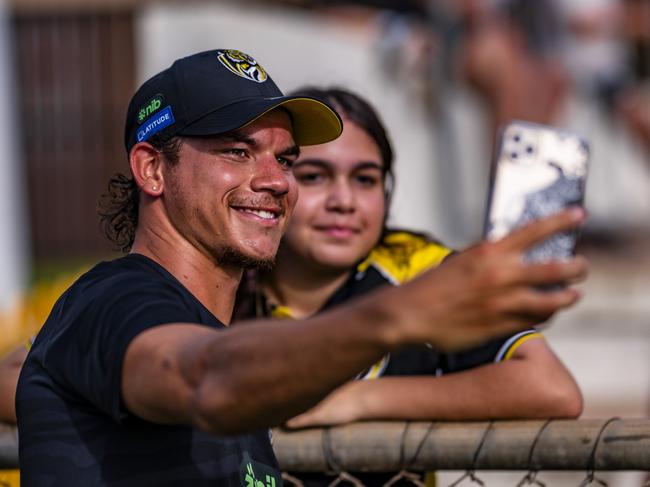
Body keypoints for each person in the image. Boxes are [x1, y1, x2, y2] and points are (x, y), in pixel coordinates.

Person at [16, 48, 587, 486]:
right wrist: (397, 318)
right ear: (153, 169)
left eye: (286, 160)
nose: (276, 181)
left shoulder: (211, 326)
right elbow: (206, 380)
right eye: (237, 152)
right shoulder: (115, 298)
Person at [233, 87, 582, 486]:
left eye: (365, 179)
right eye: (315, 176)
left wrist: (358, 400)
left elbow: (551, 389)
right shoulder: (232, 273)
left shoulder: (420, 269)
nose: (344, 201)